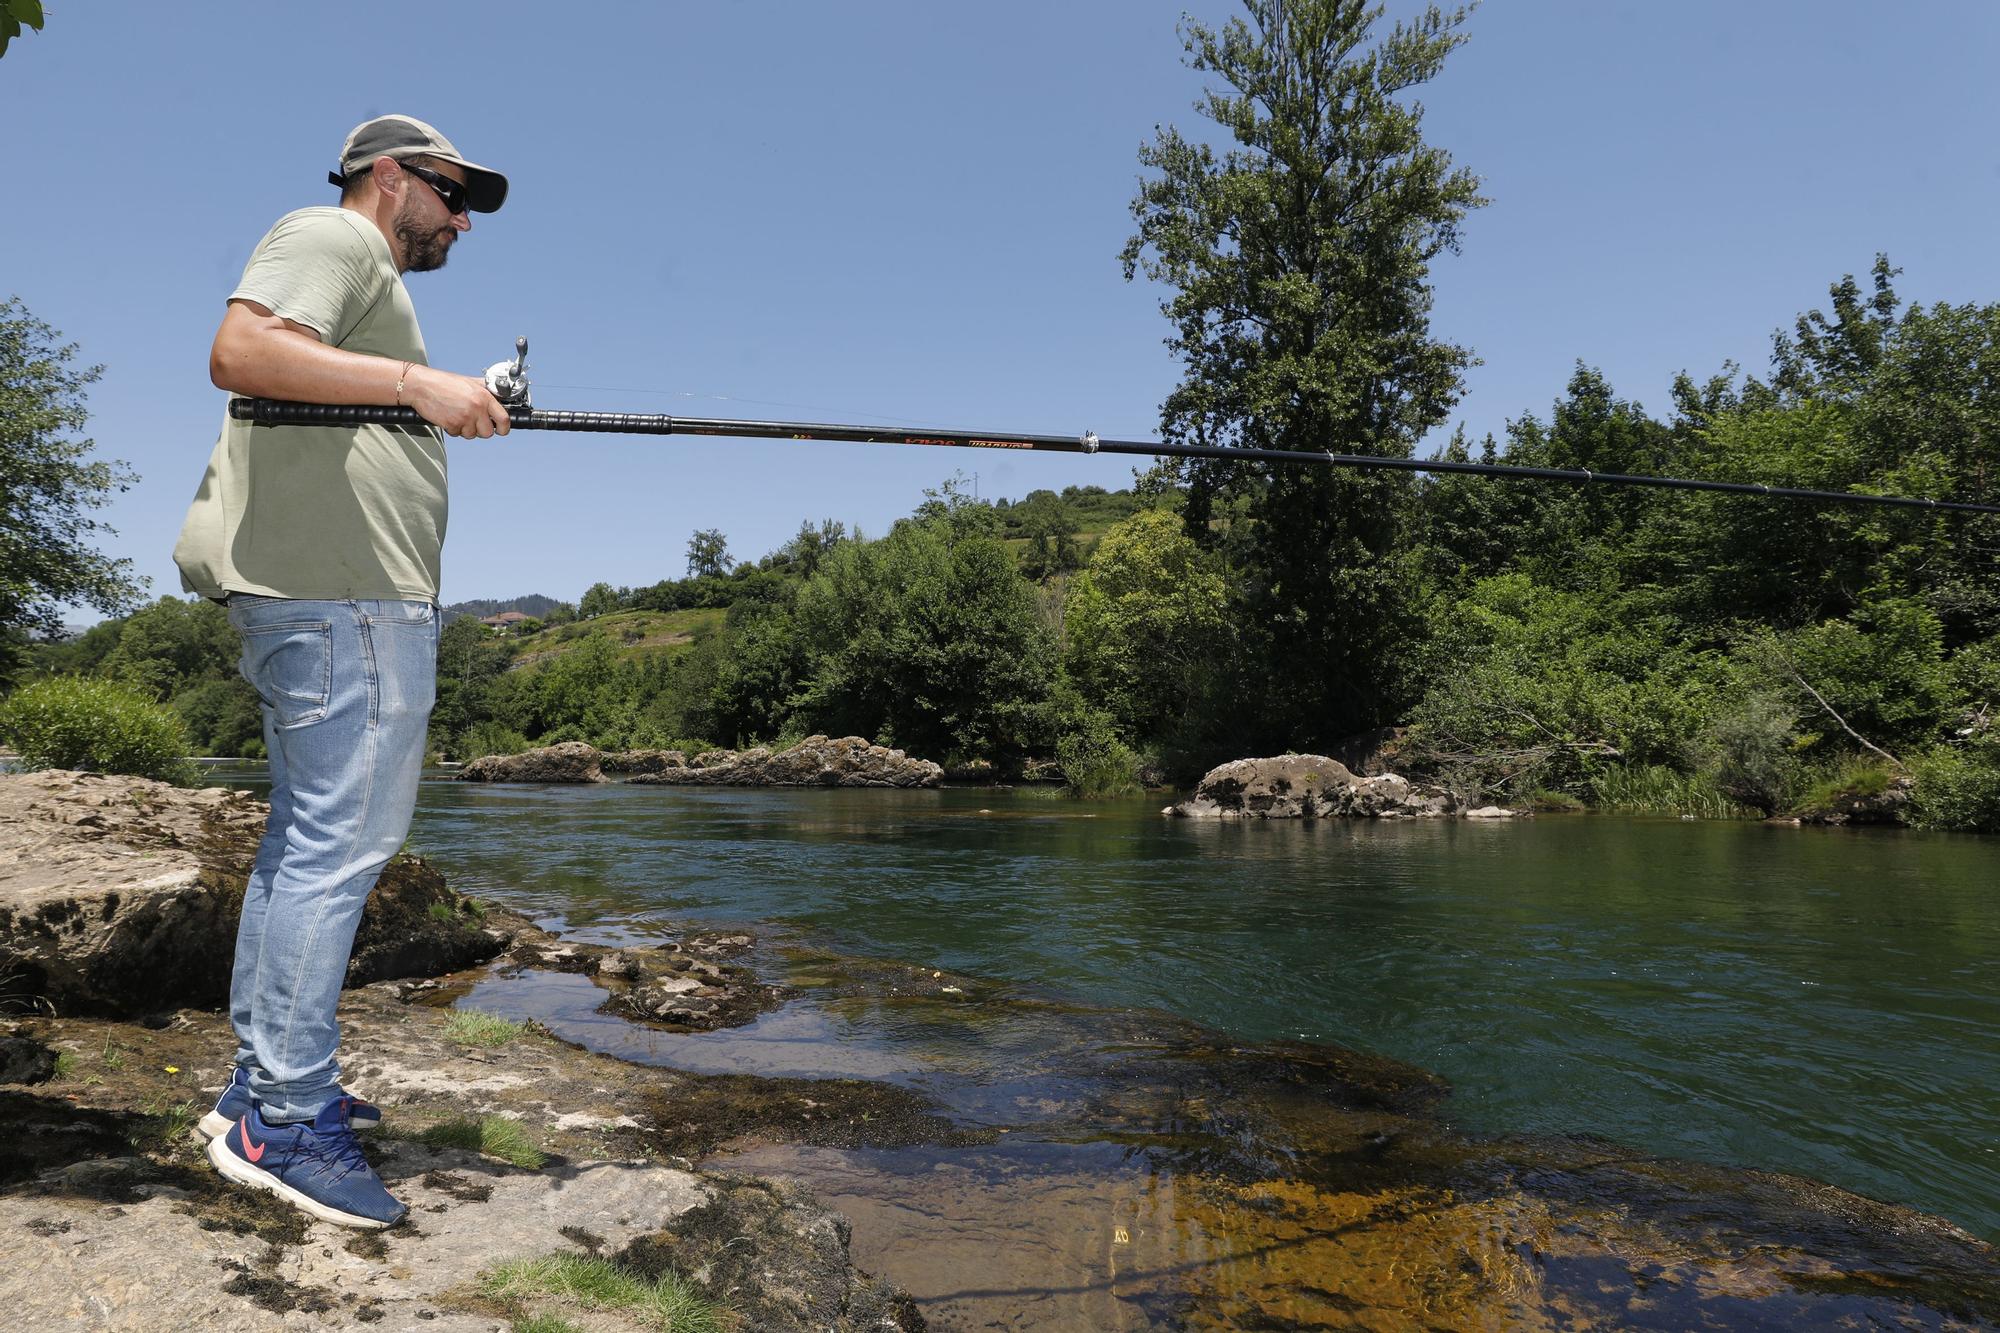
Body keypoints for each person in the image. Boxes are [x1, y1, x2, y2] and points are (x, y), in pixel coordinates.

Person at [172, 114, 512, 1230]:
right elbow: (242, 352)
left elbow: (310, 377)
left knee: (304, 840)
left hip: (328, 602)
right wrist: (419, 385)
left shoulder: (364, 279)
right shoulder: (334, 234)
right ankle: (284, 1116)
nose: (461, 218)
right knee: (338, 843)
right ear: (388, 176)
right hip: (346, 603)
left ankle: (258, 1087)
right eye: (451, 193)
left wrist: (429, 391)